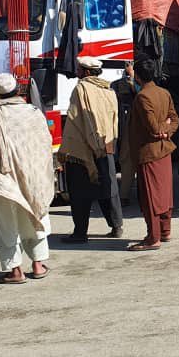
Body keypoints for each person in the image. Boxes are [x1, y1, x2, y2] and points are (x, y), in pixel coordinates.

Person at [0, 73, 54, 284]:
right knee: (35, 215)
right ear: (18, 90)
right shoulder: (34, 113)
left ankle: (16, 271)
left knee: (6, 225)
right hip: (33, 176)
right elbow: (45, 144)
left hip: (1, 180)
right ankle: (38, 265)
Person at [58, 56, 124, 243]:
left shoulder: (81, 89)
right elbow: (114, 120)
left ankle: (80, 233)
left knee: (80, 192)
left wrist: (92, 145)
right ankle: (116, 226)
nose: (77, 72)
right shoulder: (108, 90)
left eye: (79, 69)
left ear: (86, 72)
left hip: (83, 149)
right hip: (106, 146)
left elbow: (81, 119)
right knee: (108, 188)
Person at [128, 59, 178, 251]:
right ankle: (165, 231)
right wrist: (167, 130)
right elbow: (174, 120)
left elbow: (153, 128)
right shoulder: (163, 93)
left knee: (151, 197)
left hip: (149, 152)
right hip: (164, 149)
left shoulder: (142, 97)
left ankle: (153, 238)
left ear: (138, 77)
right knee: (164, 193)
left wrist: (161, 130)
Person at [111, 60, 138, 203]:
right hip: (127, 126)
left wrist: (132, 79)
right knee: (127, 160)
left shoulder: (143, 85)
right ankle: (124, 195)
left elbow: (141, 95)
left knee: (129, 160)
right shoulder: (117, 85)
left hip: (135, 127)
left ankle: (126, 195)